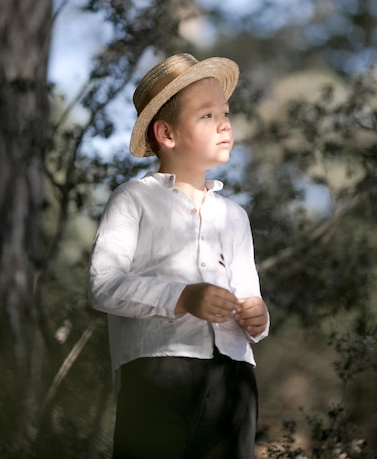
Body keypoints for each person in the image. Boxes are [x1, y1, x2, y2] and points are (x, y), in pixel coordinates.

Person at [89, 52, 269, 459]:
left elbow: (249, 294)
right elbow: (102, 286)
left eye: (225, 112)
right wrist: (183, 297)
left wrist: (259, 316)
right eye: (207, 115)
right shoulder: (133, 199)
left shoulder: (235, 216)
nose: (225, 123)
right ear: (166, 134)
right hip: (157, 369)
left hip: (235, 375)